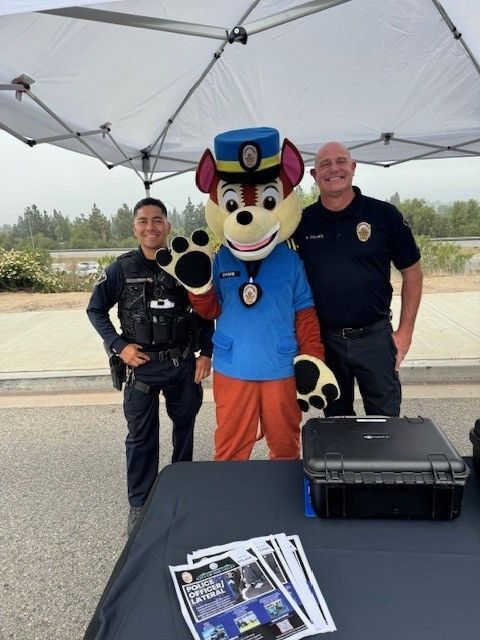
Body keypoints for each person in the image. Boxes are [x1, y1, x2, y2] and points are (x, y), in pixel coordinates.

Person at [87, 197, 213, 534]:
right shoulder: (120, 269)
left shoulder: (184, 263)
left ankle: (181, 494)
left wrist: (206, 353)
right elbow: (95, 310)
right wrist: (118, 346)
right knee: (141, 439)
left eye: (157, 220)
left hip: (182, 364)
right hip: (140, 367)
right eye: (143, 221)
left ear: (168, 226)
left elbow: (205, 311)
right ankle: (140, 505)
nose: (150, 227)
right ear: (135, 227)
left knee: (184, 430)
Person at [293, 141, 422, 417]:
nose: (334, 169)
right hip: (327, 341)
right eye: (325, 164)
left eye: (341, 161)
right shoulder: (303, 223)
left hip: (375, 338)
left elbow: (412, 271)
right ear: (314, 175)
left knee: (385, 424)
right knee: (338, 429)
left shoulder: (384, 215)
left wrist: (405, 332)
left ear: (353, 168)